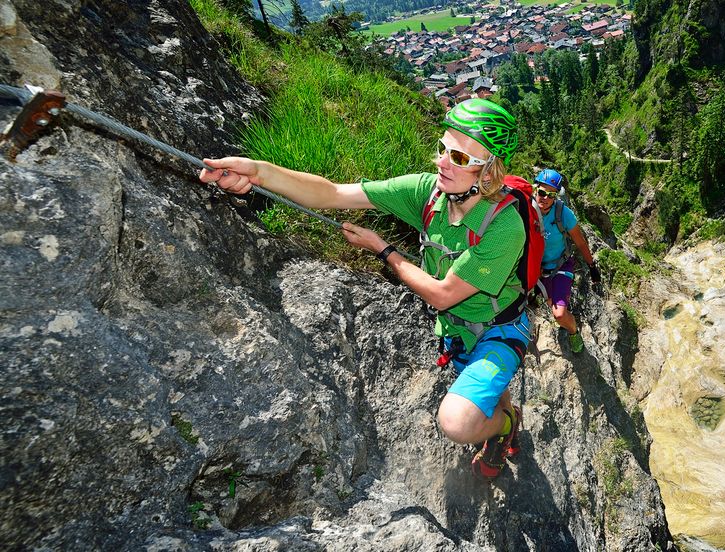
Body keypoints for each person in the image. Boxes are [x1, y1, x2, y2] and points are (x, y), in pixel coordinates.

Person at [199, 98, 528, 481]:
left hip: (500, 328)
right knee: (490, 390)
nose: (441, 161)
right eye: (442, 148)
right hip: (457, 329)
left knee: (457, 421)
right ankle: (505, 419)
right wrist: (258, 172)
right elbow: (334, 195)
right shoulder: (428, 193)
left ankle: (504, 427)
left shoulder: (505, 227)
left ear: (488, 172)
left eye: (457, 156)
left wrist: (383, 249)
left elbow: (441, 294)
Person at [533, 168, 599, 354]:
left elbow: (580, 242)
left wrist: (592, 266)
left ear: (556, 197)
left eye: (551, 195)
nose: (545, 198)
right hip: (537, 269)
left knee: (559, 314)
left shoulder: (563, 214)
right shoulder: (526, 211)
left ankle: (573, 332)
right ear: (535, 189)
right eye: (542, 192)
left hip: (561, 265)